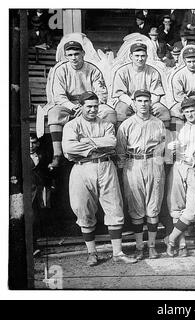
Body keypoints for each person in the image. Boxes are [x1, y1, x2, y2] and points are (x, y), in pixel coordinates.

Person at [62, 91, 137, 266]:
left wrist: (85, 143)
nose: (93, 110)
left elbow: (111, 143)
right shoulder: (71, 126)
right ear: (81, 107)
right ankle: (92, 253)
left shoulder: (107, 124)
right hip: (82, 168)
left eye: (96, 106)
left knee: (115, 208)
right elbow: (69, 148)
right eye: (89, 106)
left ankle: (118, 253)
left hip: (105, 166)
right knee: (83, 209)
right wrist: (96, 144)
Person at [47, 41, 116, 169]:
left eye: (77, 54)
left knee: (109, 113)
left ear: (83, 54)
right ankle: (57, 154)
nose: (74, 58)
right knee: (54, 113)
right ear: (66, 56)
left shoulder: (93, 69)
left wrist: (88, 106)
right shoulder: (60, 69)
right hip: (69, 104)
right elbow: (58, 95)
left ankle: (107, 150)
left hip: (90, 103)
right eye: (70, 55)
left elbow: (101, 94)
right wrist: (73, 107)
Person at [116, 90, 166, 259]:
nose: (143, 104)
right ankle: (139, 246)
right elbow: (120, 150)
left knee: (153, 206)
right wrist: (125, 168)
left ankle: (151, 246)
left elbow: (163, 145)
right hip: (133, 164)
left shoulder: (158, 123)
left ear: (150, 102)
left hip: (154, 162)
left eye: (146, 100)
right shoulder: (126, 124)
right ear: (134, 103)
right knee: (136, 207)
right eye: (140, 101)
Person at [165, 98, 195, 257]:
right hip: (178, 166)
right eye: (186, 111)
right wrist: (171, 147)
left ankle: (171, 239)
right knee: (176, 208)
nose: (190, 114)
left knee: (192, 210)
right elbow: (167, 147)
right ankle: (182, 244)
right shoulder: (178, 127)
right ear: (182, 112)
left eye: (192, 110)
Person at [111, 42, 170, 128]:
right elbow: (120, 94)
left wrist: (147, 104)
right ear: (131, 56)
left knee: (162, 111)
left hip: (148, 102)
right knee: (121, 110)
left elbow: (156, 94)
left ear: (147, 57)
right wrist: (132, 103)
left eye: (143, 56)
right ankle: (122, 137)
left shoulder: (153, 72)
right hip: (129, 102)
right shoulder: (122, 71)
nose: (140, 59)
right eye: (137, 56)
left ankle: (164, 138)